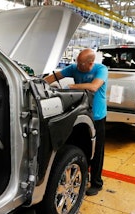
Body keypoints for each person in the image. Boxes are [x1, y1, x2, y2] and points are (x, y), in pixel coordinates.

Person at [43, 48, 108, 196]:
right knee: (82, 147)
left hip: (97, 115)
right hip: (81, 113)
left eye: (80, 64)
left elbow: (94, 87)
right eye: (77, 62)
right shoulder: (75, 67)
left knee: (97, 151)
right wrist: (40, 85)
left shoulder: (101, 69)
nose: (77, 66)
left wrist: (71, 87)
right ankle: (83, 173)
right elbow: (53, 77)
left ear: (90, 63)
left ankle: (97, 183)